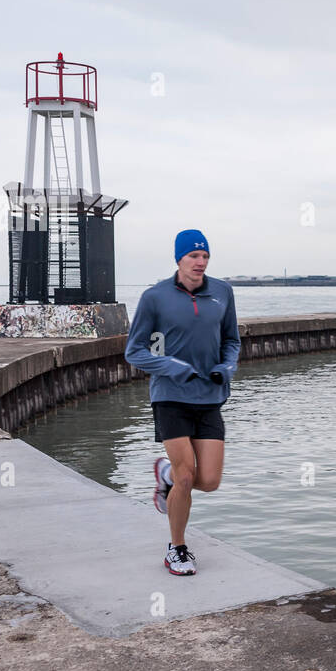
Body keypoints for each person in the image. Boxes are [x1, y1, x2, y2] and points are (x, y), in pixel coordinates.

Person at [124, 230, 240, 576]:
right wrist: (171, 367)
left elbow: (231, 340)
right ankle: (177, 548)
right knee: (187, 476)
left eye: (205, 256)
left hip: (210, 397)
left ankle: (165, 474)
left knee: (209, 481)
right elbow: (134, 352)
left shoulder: (222, 292)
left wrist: (226, 367)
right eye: (193, 256)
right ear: (179, 259)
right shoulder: (155, 297)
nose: (200, 262)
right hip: (170, 396)